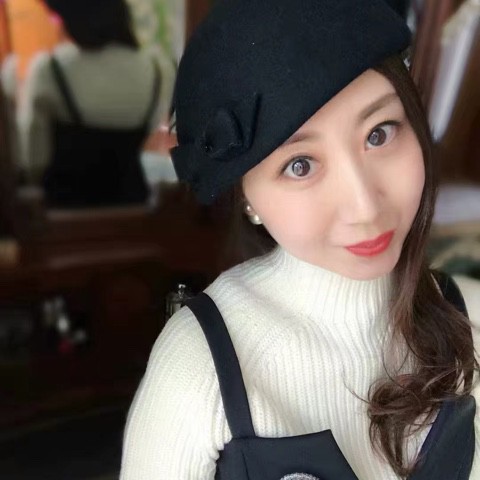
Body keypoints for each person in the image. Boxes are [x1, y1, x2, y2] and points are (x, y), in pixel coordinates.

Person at [120, 0, 480, 479]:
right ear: (247, 197)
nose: (364, 207)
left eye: (379, 134)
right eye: (300, 165)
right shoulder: (199, 364)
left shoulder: (472, 317)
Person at [16, 0, 164, 207]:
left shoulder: (49, 70)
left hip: (64, 216)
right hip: (134, 213)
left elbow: (32, 163)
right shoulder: (157, 70)